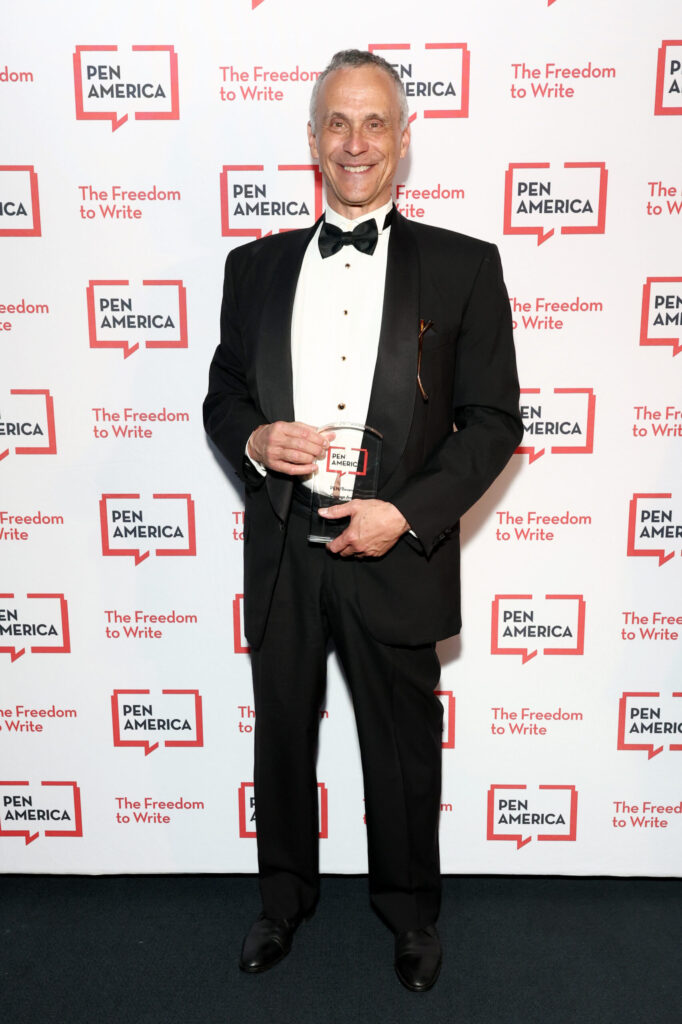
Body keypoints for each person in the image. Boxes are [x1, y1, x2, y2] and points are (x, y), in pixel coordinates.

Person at [203, 48, 522, 992]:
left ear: (404, 139)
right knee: (282, 734)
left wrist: (407, 515)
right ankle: (282, 900)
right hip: (284, 553)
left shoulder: (466, 267)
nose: (355, 142)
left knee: (400, 746)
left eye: (375, 122)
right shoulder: (251, 267)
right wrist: (258, 439)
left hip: (396, 549)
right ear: (311, 140)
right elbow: (223, 394)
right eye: (337, 123)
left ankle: (410, 913)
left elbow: (496, 419)